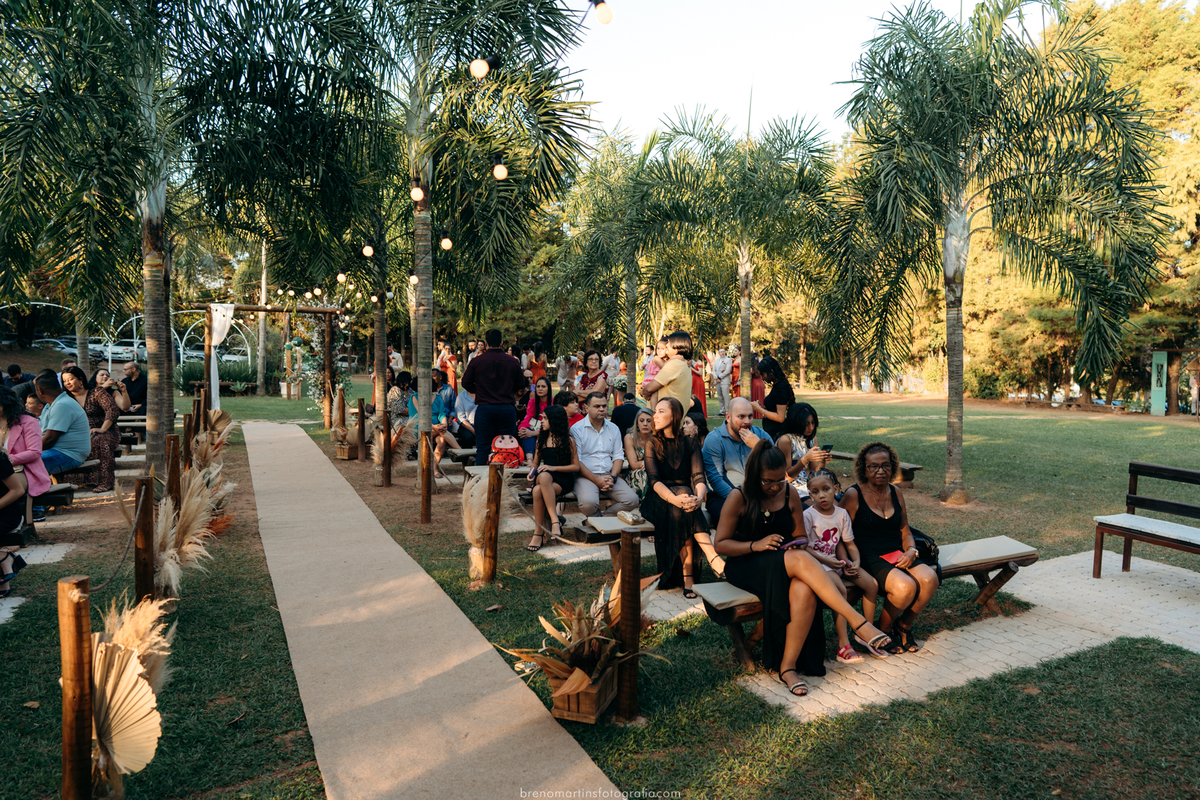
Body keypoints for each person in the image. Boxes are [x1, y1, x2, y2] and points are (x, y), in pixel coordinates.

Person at [714, 442, 893, 696]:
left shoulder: (789, 493)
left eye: (780, 480)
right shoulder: (739, 497)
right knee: (799, 559)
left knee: (804, 588)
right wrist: (756, 544)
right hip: (747, 564)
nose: (775, 487)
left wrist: (793, 544)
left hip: (786, 561)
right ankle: (858, 622)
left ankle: (787, 667)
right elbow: (721, 543)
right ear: (754, 475)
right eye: (768, 482)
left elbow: (799, 536)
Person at [839, 442, 939, 654]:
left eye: (885, 465)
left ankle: (903, 626)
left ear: (892, 467)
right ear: (864, 469)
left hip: (897, 552)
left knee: (930, 578)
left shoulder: (895, 492)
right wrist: (847, 562)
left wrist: (911, 551)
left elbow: (905, 530)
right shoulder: (853, 495)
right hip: (867, 556)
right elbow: (838, 533)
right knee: (905, 587)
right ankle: (882, 629)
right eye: (874, 466)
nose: (880, 471)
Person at [803, 469, 880, 664]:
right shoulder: (808, 516)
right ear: (810, 494)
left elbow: (849, 543)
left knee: (871, 584)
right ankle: (843, 646)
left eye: (826, 489)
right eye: (815, 492)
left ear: (836, 489)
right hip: (818, 565)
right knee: (841, 590)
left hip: (836, 562)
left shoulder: (842, 514)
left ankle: (866, 634)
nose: (821, 495)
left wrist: (856, 562)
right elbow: (804, 548)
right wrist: (827, 561)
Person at [644, 398, 709, 598]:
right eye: (655, 411)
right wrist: (675, 499)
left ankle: (687, 574)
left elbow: (699, 477)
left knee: (685, 499)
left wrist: (699, 497)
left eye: (661, 411)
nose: (655, 416)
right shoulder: (652, 443)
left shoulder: (690, 444)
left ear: (674, 416)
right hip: (658, 498)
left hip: (684, 501)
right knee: (682, 495)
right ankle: (709, 556)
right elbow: (654, 481)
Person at [460, 328, 525, 466]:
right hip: (506, 408)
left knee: (482, 449)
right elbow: (521, 383)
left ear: (486, 343)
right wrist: (509, 391)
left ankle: (480, 478)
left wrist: (480, 391)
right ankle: (504, 478)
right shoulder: (512, 361)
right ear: (501, 343)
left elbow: (465, 383)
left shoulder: (477, 361)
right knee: (507, 449)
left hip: (485, 408)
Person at [701, 397, 772, 523]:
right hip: (723, 496)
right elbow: (716, 480)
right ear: (728, 417)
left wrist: (758, 445)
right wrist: (741, 500)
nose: (747, 421)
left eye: (750, 416)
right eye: (741, 417)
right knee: (740, 518)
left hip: (759, 493)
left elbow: (777, 464)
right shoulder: (714, 439)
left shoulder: (760, 435)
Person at [570, 392, 639, 517]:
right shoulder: (576, 429)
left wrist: (613, 477)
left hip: (609, 476)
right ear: (586, 408)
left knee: (632, 500)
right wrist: (597, 480)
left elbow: (618, 457)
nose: (602, 409)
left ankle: (600, 520)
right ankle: (599, 521)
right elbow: (577, 461)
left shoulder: (613, 428)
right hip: (585, 477)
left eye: (604, 406)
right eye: (597, 406)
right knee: (588, 503)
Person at [524, 405, 580, 551]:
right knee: (543, 476)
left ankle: (538, 532)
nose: (542, 421)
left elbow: (576, 467)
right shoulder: (541, 439)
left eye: (545, 418)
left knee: (537, 491)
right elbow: (536, 463)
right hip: (545, 477)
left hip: (563, 480)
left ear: (555, 420)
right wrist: (531, 473)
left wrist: (553, 468)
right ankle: (555, 521)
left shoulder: (568, 440)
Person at [61, 366, 120, 492]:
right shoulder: (65, 398)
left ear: (80, 379)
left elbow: (112, 410)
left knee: (98, 440)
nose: (67, 383)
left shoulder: (97, 392)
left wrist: (102, 429)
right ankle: (79, 481)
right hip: (79, 433)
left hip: (106, 430)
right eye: (64, 381)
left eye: (70, 379)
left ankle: (106, 482)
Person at [0, 385, 49, 518]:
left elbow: (34, 452)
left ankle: (16, 519)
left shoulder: (28, 422)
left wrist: (6, 460)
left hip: (23, 469)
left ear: (5, 403)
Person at [34, 372, 90, 478]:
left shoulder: (62, 405)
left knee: (23, 463)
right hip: (58, 451)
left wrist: (27, 452)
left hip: (69, 455)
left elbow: (49, 440)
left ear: (39, 391)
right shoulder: (51, 405)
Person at [775, 402, 830, 502]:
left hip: (807, 486)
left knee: (834, 503)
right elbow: (786, 478)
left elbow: (815, 473)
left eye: (813, 422)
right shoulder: (786, 440)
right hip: (790, 489)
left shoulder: (812, 439)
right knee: (817, 507)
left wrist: (823, 461)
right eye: (806, 424)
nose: (811, 427)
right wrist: (804, 460)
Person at [407, 386, 459, 479]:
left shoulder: (438, 398)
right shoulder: (414, 397)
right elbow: (421, 416)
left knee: (442, 440)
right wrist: (435, 427)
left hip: (437, 429)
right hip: (419, 428)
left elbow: (442, 414)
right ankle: (460, 451)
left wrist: (444, 424)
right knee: (442, 432)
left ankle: (434, 469)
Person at [640, 331, 693, 411]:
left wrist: (644, 391)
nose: (667, 345)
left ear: (677, 346)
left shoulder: (674, 364)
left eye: (669, 342)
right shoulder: (684, 362)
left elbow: (649, 389)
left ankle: (654, 412)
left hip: (664, 413)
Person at [749, 355, 793, 440]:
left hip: (777, 433)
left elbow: (780, 417)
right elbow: (774, 409)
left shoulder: (781, 387)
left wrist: (759, 409)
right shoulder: (777, 385)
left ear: (771, 371)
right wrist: (761, 407)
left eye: (763, 374)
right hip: (772, 431)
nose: (762, 377)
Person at [622, 407, 653, 502]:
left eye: (649, 421)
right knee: (642, 474)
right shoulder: (629, 437)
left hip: (653, 471)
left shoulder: (657, 437)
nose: (645, 424)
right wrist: (649, 463)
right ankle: (646, 505)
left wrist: (648, 464)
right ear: (637, 423)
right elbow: (634, 465)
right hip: (634, 475)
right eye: (641, 421)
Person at [518, 376, 553, 460]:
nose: (540, 389)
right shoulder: (533, 401)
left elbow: (552, 425)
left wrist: (533, 433)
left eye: (543, 386)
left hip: (548, 432)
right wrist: (522, 429)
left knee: (530, 433)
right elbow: (528, 418)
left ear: (548, 388)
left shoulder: (553, 402)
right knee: (527, 432)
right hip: (535, 428)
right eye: (538, 386)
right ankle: (529, 460)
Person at [640, 338, 667, 403]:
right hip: (652, 380)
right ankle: (653, 409)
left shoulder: (664, 360)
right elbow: (666, 367)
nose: (659, 351)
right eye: (658, 348)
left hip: (658, 380)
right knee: (654, 394)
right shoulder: (656, 358)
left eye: (662, 349)